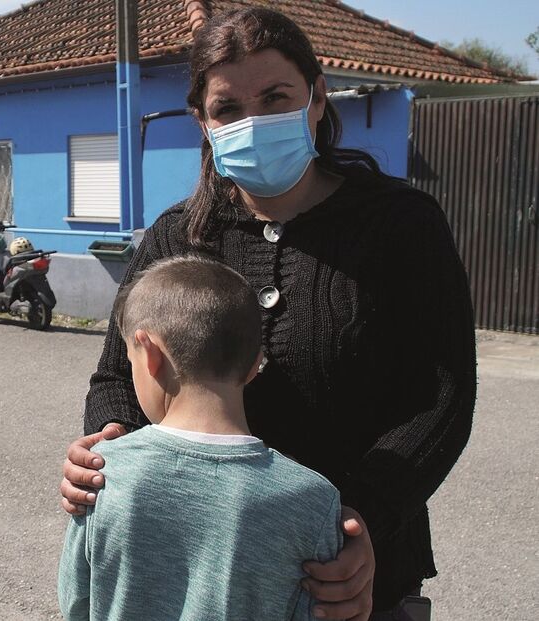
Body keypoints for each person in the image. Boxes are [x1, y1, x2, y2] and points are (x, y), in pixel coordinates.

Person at [59, 7, 476, 621]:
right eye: (228, 108)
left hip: (351, 581)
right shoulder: (176, 237)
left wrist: (362, 520)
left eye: (276, 96)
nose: (253, 121)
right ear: (203, 122)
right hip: (202, 569)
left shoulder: (401, 226)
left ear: (316, 99)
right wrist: (106, 449)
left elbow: (442, 397)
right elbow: (118, 376)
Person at [57, 256, 343, 620]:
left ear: (149, 354)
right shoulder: (313, 500)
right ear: (256, 363)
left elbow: (77, 604)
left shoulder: (102, 475)